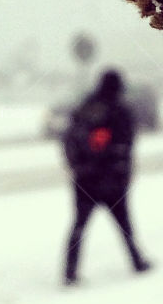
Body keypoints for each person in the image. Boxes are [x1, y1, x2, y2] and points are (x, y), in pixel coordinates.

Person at [61, 68, 151, 285]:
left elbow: (68, 139)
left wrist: (77, 167)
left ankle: (70, 272)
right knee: (125, 225)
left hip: (84, 181)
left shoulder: (84, 108)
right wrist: (123, 176)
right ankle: (138, 262)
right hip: (112, 182)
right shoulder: (120, 111)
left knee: (79, 227)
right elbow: (125, 148)